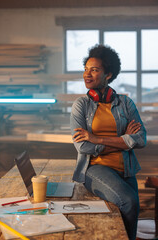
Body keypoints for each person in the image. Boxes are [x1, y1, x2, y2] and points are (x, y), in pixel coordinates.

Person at [70, 44, 146, 240]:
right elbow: (83, 146)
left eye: (94, 70)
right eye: (86, 69)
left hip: (126, 168)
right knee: (129, 202)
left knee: (132, 209)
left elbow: (141, 139)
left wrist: (97, 139)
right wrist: (123, 141)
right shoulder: (81, 105)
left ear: (108, 74)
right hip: (95, 168)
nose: (87, 74)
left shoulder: (125, 103)